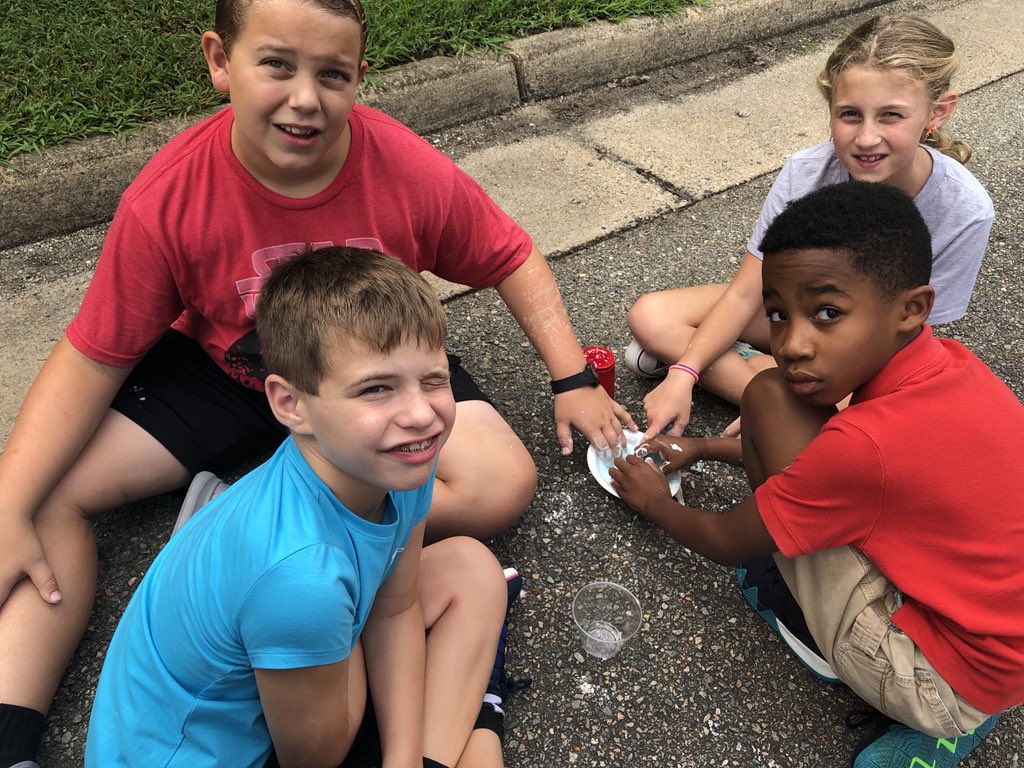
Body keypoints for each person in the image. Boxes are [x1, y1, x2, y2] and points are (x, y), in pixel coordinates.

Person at [0, 0, 631, 763]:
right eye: (276, 64)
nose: (305, 97)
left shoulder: (404, 165)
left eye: (331, 73)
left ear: (361, 78)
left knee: (500, 483)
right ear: (219, 62)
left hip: (375, 377)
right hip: (227, 371)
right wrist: (10, 501)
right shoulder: (166, 197)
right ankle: (14, 728)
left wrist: (571, 378)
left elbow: (509, 254)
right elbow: (93, 355)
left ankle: (263, 545)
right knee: (45, 492)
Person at [611, 181, 1023, 767]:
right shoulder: (954, 371)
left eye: (827, 313)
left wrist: (656, 502)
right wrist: (702, 446)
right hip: (1000, 639)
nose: (792, 343)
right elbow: (849, 477)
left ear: (912, 308)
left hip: (944, 682)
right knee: (774, 395)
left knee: (769, 403)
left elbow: (731, 541)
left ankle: (942, 725)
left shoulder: (868, 443)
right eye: (778, 313)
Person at [85, 246, 510, 768]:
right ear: (290, 404)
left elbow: (394, 608)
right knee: (481, 754)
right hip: (207, 752)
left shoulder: (396, 461)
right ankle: (475, 720)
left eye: (433, 379)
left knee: (470, 567)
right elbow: (314, 756)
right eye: (376, 389)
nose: (421, 415)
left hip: (296, 645)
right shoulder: (302, 579)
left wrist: (403, 758)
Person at [625, 14, 993, 439]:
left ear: (938, 112)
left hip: (871, 346)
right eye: (850, 114)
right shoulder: (806, 172)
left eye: (891, 115)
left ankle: (770, 389)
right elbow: (748, 291)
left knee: (901, 422)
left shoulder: (965, 211)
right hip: (791, 312)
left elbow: (914, 344)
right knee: (651, 315)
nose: (867, 137)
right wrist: (683, 376)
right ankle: (774, 393)